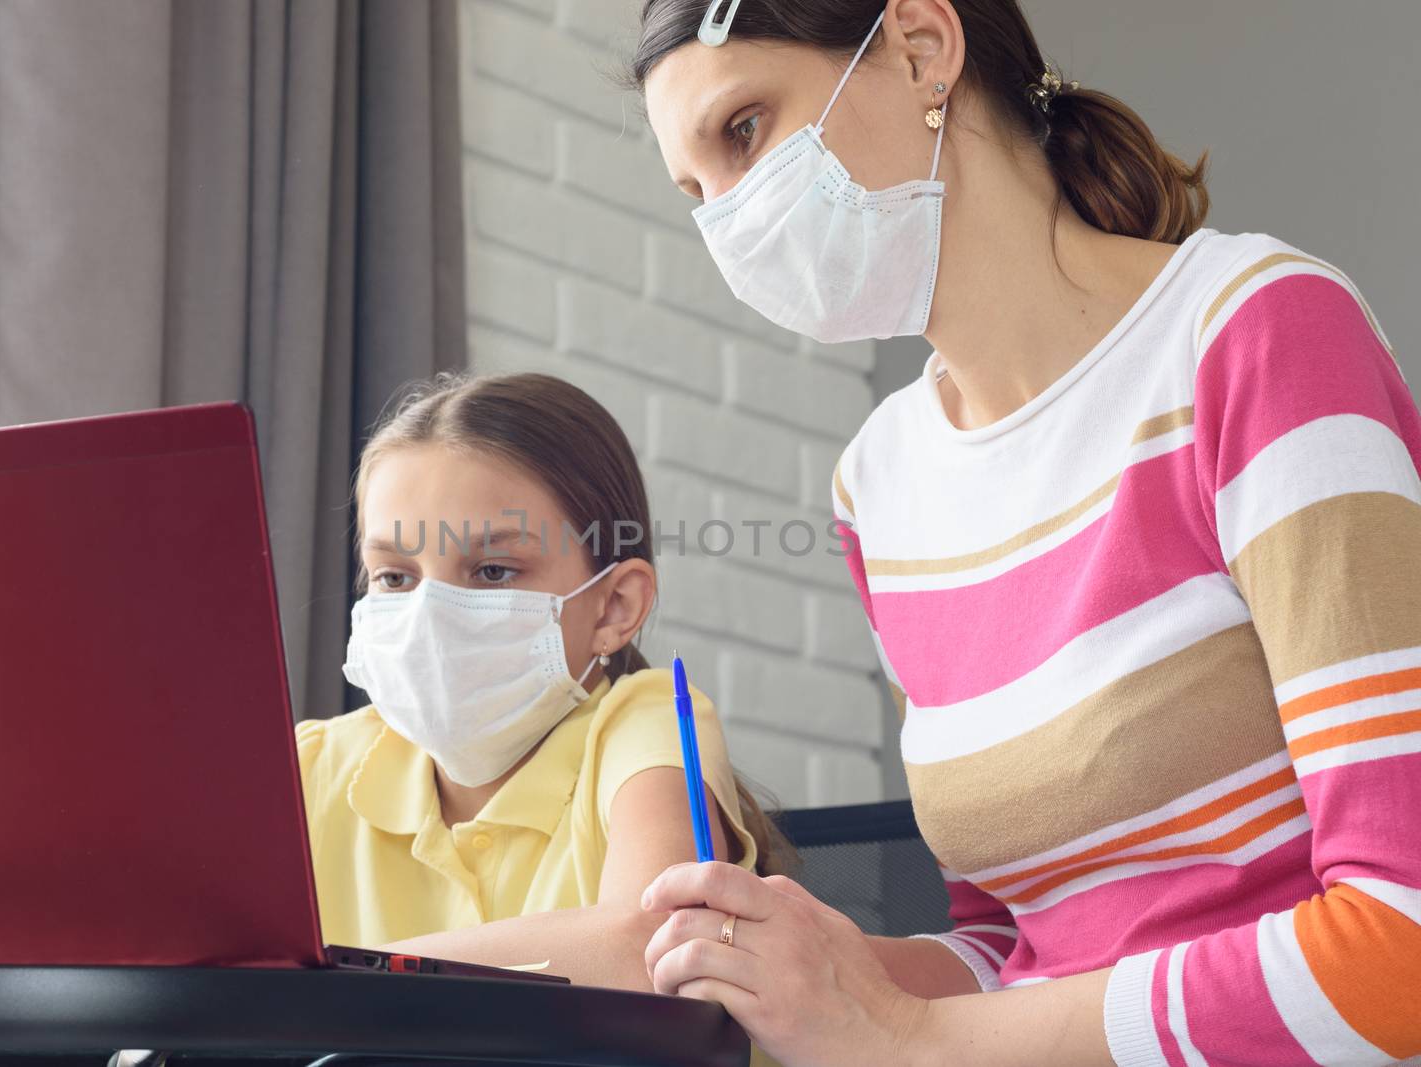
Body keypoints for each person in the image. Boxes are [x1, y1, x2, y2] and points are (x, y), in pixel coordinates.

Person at [631, 1, 1421, 1065]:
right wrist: (833, 970)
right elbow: (1015, 943)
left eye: (743, 132)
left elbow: (1398, 946)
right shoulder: (880, 480)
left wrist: (911, 1035)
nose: (731, 217)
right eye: (695, 193)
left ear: (921, 47)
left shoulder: (1251, 334)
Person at [295, 371, 784, 992]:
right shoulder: (306, 771)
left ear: (614, 608)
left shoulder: (646, 723)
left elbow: (649, 946)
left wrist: (326, 982)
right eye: (394, 577)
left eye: (493, 570)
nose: (430, 617)